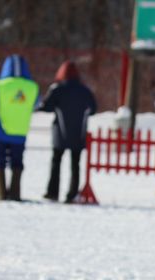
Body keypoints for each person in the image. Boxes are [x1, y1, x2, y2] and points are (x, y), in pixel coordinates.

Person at [37, 60, 97, 203]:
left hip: (60, 133)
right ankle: (72, 194)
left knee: (56, 161)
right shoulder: (84, 90)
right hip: (78, 133)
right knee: (75, 164)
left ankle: (53, 192)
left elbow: (47, 107)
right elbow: (93, 109)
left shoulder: (57, 89)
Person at [0, 54, 39, 201]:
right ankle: (15, 193)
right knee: (17, 161)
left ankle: (2, 193)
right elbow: (36, 105)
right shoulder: (32, 87)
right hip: (20, 132)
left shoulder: (0, 86)